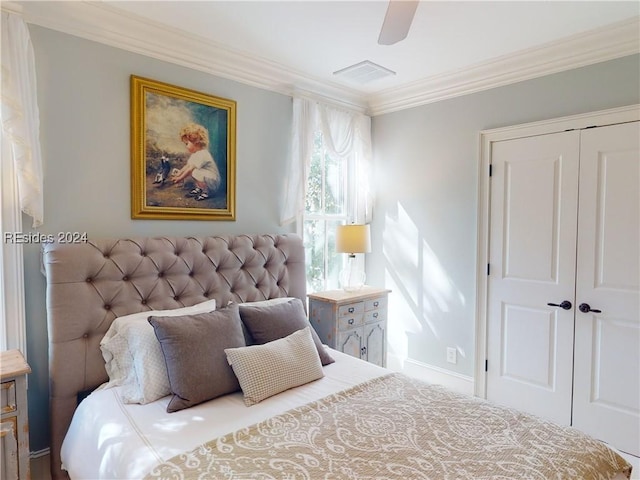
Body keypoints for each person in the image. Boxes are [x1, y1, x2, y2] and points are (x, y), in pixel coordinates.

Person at [171, 123, 221, 200]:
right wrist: (179, 173)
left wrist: (180, 178)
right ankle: (200, 188)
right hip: (207, 178)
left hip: (212, 182)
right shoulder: (195, 154)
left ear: (196, 142)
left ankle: (207, 192)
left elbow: (190, 169)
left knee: (194, 172)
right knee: (195, 172)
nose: (186, 146)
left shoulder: (203, 153)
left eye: (187, 143)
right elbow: (187, 166)